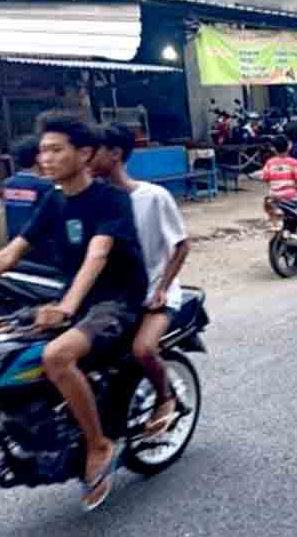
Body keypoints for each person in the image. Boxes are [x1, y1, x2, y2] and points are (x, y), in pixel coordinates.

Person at [0, 111, 148, 511]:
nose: (46, 158)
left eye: (56, 150)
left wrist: (67, 307)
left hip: (116, 300)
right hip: (72, 296)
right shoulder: (53, 200)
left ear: (85, 153)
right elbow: (9, 255)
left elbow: (98, 254)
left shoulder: (111, 200)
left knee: (56, 355)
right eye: (43, 150)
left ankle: (99, 445)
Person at [90, 123, 191, 440]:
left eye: (95, 151)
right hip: (114, 297)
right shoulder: (94, 199)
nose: (87, 157)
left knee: (143, 349)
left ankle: (166, 397)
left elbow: (181, 245)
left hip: (154, 295)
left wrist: (162, 287)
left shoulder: (153, 197)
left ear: (116, 154)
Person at [1, 135, 56, 266]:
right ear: (38, 157)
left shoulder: (9, 183)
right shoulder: (46, 186)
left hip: (15, 243)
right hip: (40, 248)